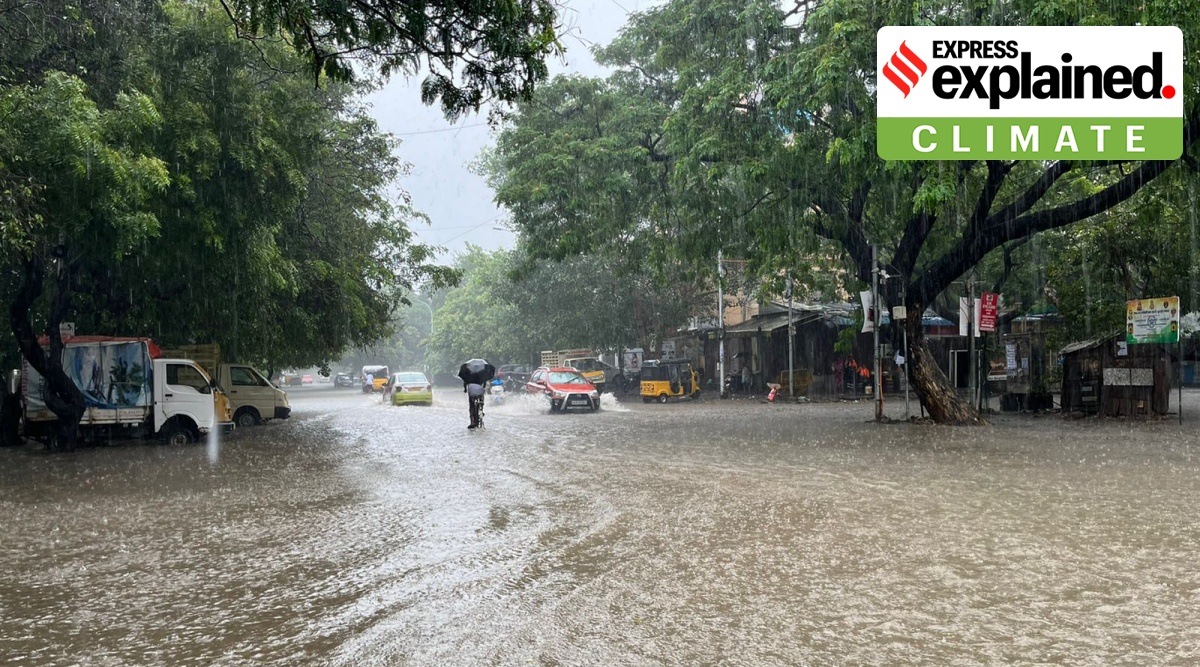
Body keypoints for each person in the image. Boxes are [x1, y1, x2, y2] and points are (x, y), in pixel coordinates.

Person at [457, 358, 496, 429]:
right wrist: (483, 388)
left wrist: (465, 389)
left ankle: (472, 422)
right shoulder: (481, 374)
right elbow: (484, 384)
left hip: (471, 390)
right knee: (481, 401)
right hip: (480, 391)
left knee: (471, 406)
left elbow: (465, 383)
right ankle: (481, 410)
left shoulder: (468, 373)